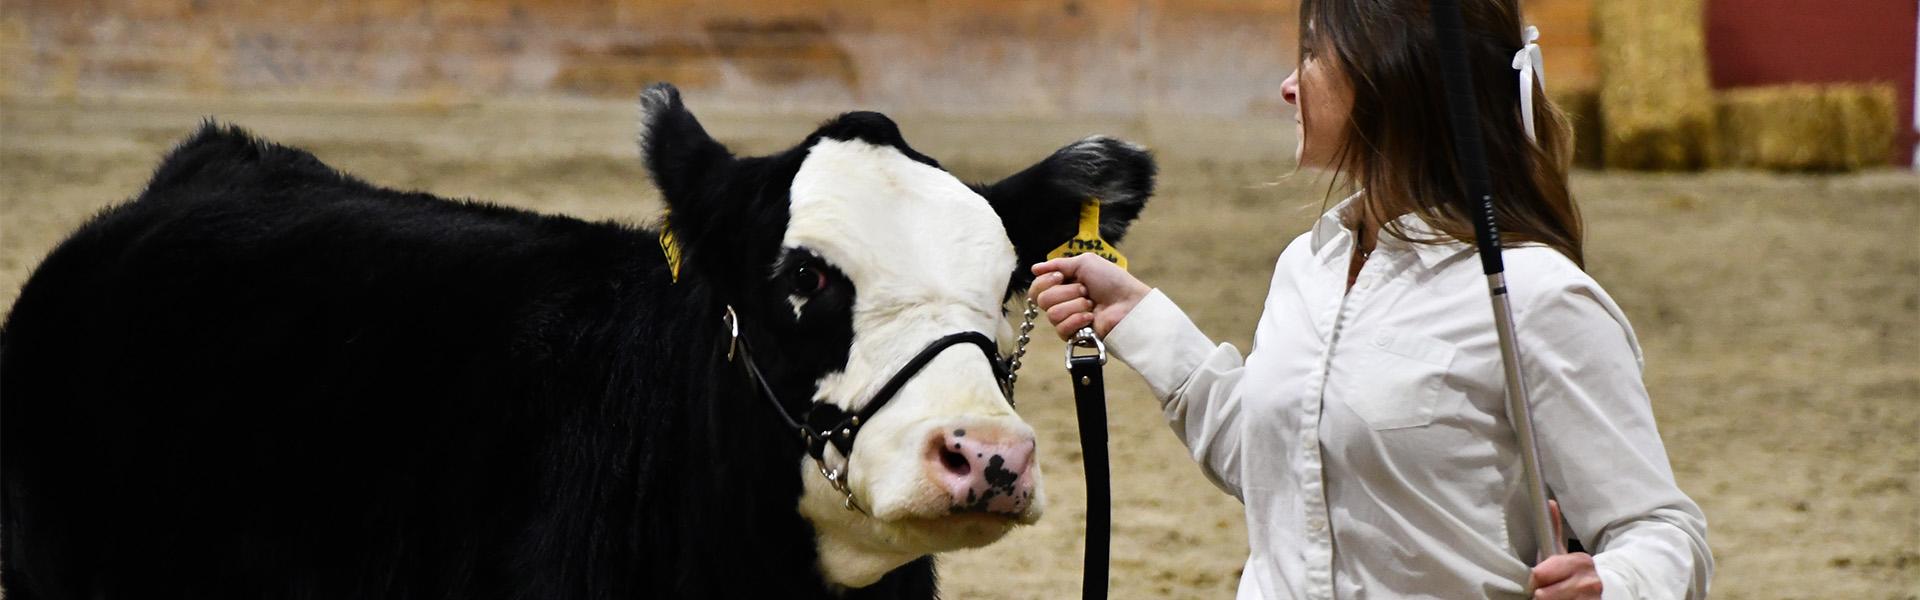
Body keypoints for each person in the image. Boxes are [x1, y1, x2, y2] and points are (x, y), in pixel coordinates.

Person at [1027, 1, 1713, 598]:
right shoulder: (1308, 265)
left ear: (1390, 75)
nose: (1288, 86)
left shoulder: (1539, 299)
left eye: (1311, 54)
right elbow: (1286, 471)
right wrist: (1145, 324)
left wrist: (1614, 585)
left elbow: (1661, 531)